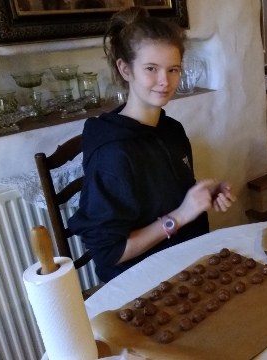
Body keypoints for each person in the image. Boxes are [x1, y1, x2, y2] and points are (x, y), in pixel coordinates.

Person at [68, 7, 235, 283]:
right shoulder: (113, 153)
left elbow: (168, 196)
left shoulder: (171, 129)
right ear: (125, 69)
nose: (164, 81)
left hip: (187, 261)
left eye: (173, 70)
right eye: (151, 69)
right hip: (141, 282)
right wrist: (180, 215)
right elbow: (110, 253)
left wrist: (203, 196)